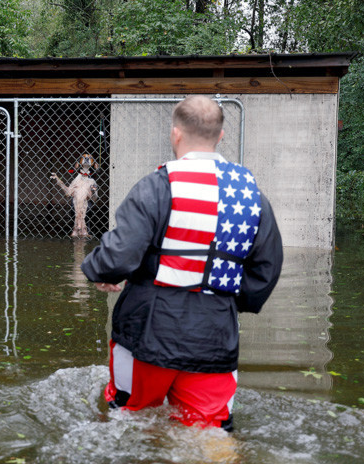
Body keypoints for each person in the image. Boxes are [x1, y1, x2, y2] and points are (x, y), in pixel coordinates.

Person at [80, 95, 283, 431]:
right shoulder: (252, 195)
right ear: (220, 136)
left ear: (175, 134)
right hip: (215, 333)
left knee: (128, 420)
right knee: (210, 432)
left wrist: (100, 271)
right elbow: (267, 268)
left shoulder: (157, 186)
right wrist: (226, 301)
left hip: (149, 330)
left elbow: (119, 255)